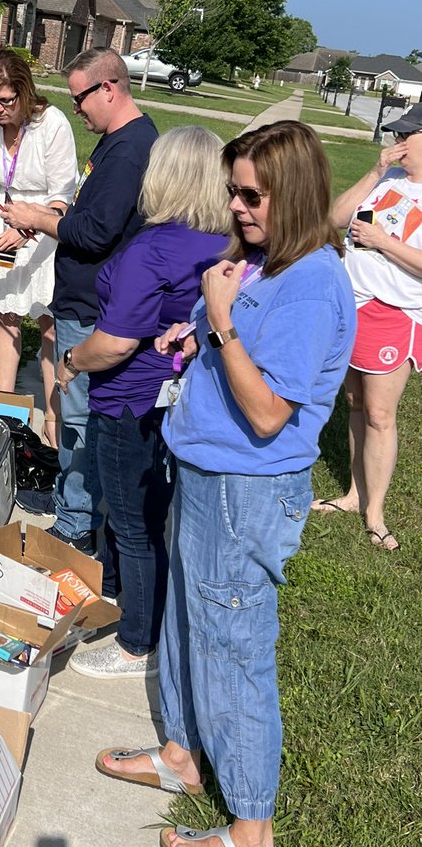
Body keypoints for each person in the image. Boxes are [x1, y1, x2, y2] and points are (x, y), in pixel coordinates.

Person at [99, 122, 356, 847]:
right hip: (207, 474)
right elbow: (229, 327)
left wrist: (219, 324)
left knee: (234, 650)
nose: (236, 207)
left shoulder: (311, 285)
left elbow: (270, 412)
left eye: (252, 196)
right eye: (233, 191)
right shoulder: (267, 260)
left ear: (294, 195)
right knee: (188, 627)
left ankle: (251, 828)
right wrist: (193, 330)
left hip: (246, 491)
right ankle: (182, 756)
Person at [55, 127, 229, 679]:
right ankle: (110, 592)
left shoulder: (152, 249)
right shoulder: (225, 243)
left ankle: (138, 643)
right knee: (147, 511)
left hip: (128, 398)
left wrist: (71, 361)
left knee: (133, 521)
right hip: (178, 394)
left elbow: (115, 343)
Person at [2, 48, 157, 553]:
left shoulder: (130, 150)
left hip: (92, 306)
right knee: (77, 413)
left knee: (79, 417)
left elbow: (94, 233)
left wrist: (37, 218)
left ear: (108, 88)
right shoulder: (119, 141)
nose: (76, 109)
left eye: (80, 98)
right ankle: (72, 501)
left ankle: (74, 524)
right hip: (84, 299)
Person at [0, 50, 77, 450]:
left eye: (6, 100)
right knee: (5, 315)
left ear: (25, 93)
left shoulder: (52, 124)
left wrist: (30, 226)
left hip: (44, 226)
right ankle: (5, 415)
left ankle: (54, 420)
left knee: (49, 322)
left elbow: (63, 193)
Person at [312, 103, 422, 551]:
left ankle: (375, 513)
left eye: (407, 136)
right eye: (396, 134)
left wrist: (383, 242)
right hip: (351, 305)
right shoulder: (389, 180)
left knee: (379, 414)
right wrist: (376, 171)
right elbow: (335, 219)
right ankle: (354, 495)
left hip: (393, 311)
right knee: (355, 403)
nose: (398, 142)